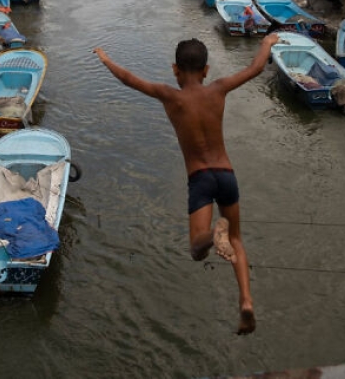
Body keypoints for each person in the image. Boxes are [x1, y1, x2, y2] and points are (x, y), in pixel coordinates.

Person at [93, 33, 279, 335]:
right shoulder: (218, 88)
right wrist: (267, 44)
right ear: (206, 70)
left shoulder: (170, 96)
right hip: (226, 175)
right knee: (238, 241)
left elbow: (128, 79)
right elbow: (255, 68)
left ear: (174, 69)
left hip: (201, 179)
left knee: (196, 248)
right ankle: (245, 301)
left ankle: (211, 236)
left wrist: (105, 58)